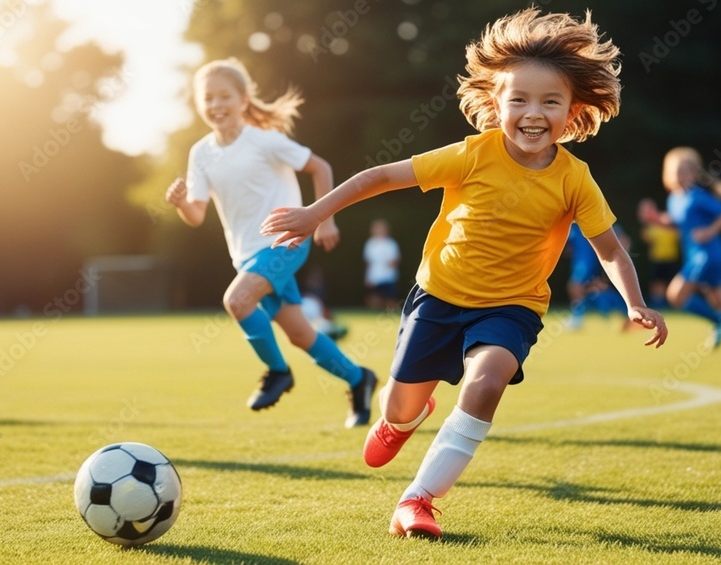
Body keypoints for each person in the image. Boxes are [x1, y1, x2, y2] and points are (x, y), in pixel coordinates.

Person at [261, 8, 667, 539]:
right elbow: (380, 176)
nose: (533, 113)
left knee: (488, 380)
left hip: (512, 308)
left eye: (550, 101)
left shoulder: (576, 180)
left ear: (573, 111)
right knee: (401, 406)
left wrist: (634, 301)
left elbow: (610, 249)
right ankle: (403, 416)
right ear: (495, 103)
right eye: (518, 99)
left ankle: (418, 500)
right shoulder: (473, 155)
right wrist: (317, 213)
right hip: (438, 297)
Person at [164, 58, 376, 427]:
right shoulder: (201, 153)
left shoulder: (265, 141)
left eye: (224, 96)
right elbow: (196, 215)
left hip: (286, 241)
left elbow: (320, 167)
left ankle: (278, 373)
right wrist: (182, 202)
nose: (216, 105)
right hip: (246, 256)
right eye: (208, 98)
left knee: (237, 300)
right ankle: (360, 380)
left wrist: (323, 218)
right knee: (300, 334)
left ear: (243, 99)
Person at [660, 147, 721, 354]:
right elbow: (681, 226)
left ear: (694, 173)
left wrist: (709, 231)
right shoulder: (673, 199)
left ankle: (718, 322)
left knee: (676, 295)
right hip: (693, 254)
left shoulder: (697, 196)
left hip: (707, 254)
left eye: (685, 171)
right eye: (676, 171)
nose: (680, 175)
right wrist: (660, 221)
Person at [564, 222, 632, 330]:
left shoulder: (591, 216)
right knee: (597, 288)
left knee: (575, 286)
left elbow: (622, 238)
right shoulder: (572, 225)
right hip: (581, 261)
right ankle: (627, 313)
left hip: (588, 262)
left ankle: (577, 319)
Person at [637, 198, 680, 310]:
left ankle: (671, 305)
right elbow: (646, 238)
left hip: (671, 258)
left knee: (670, 283)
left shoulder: (667, 219)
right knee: (657, 283)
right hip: (657, 259)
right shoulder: (648, 227)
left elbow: (678, 233)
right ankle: (659, 305)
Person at [363, 218, 401, 311]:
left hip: (389, 276)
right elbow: (368, 262)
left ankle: (389, 315)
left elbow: (396, 260)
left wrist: (391, 263)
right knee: (375, 298)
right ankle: (375, 317)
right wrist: (368, 277)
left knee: (390, 298)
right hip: (375, 276)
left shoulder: (391, 244)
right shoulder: (370, 244)